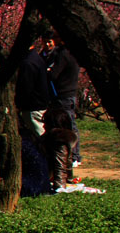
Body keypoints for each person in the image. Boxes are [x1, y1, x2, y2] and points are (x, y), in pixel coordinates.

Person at [45, 33, 82, 166]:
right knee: (71, 124)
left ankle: (73, 156)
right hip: (70, 93)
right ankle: (75, 155)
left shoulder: (63, 55)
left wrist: (48, 72)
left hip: (63, 94)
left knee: (66, 125)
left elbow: (54, 75)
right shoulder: (73, 53)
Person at [16, 36, 52, 136]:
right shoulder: (36, 58)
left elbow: (26, 86)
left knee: (40, 135)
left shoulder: (28, 62)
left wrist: (19, 104)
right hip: (40, 102)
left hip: (33, 105)